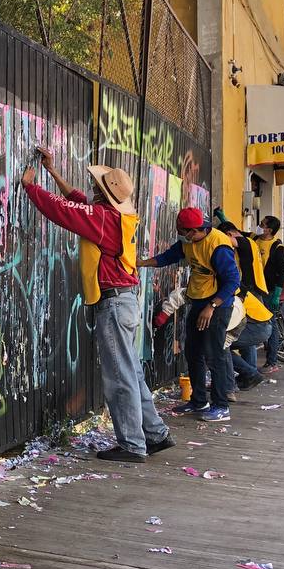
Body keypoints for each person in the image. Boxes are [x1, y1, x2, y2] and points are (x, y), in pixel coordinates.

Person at [21, 148, 175, 463]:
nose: (92, 188)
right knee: (132, 372)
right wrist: (53, 173)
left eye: (96, 186)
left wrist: (31, 186)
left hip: (115, 304)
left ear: (103, 193)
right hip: (126, 301)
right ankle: (156, 434)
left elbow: (65, 210)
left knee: (119, 376)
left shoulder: (104, 219)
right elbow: (78, 202)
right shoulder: (118, 217)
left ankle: (133, 444)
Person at [138, 208, 240, 422]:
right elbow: (168, 257)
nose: (183, 237)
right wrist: (141, 263)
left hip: (218, 305)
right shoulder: (189, 242)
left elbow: (232, 281)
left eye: (184, 233)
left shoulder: (219, 246)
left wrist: (212, 306)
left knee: (215, 355)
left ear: (195, 230)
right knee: (193, 352)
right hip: (199, 300)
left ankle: (221, 406)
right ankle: (199, 400)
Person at [216, 222, 274, 389]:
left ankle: (249, 373)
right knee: (245, 337)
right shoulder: (252, 242)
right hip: (254, 290)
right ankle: (249, 374)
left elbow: (229, 239)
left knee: (222, 342)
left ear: (229, 233)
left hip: (251, 290)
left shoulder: (245, 242)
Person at [254, 216, 284, 371]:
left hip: (269, 291)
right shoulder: (255, 238)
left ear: (269, 230)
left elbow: (282, 273)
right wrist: (222, 217)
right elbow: (237, 234)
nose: (259, 226)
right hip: (255, 288)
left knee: (271, 324)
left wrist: (277, 294)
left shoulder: (278, 248)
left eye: (262, 224)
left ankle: (272, 362)